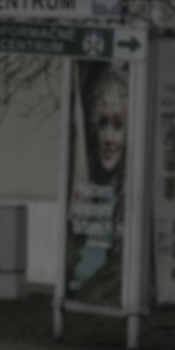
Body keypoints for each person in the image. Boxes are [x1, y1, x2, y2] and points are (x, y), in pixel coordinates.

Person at [66, 60, 129, 306]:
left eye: (118, 125)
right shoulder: (92, 194)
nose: (108, 139)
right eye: (102, 124)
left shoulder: (129, 203)